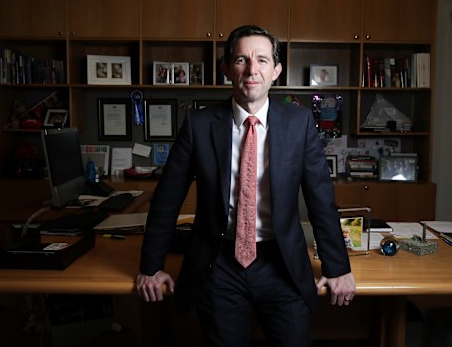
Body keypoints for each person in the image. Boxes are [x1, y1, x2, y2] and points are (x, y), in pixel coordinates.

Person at [135, 25, 356, 346]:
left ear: (276, 70)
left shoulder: (299, 123)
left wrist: (337, 268)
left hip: (281, 265)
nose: (252, 70)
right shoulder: (199, 125)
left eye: (262, 60)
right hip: (219, 264)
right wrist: (151, 267)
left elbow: (321, 199)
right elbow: (167, 200)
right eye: (241, 60)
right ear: (226, 69)